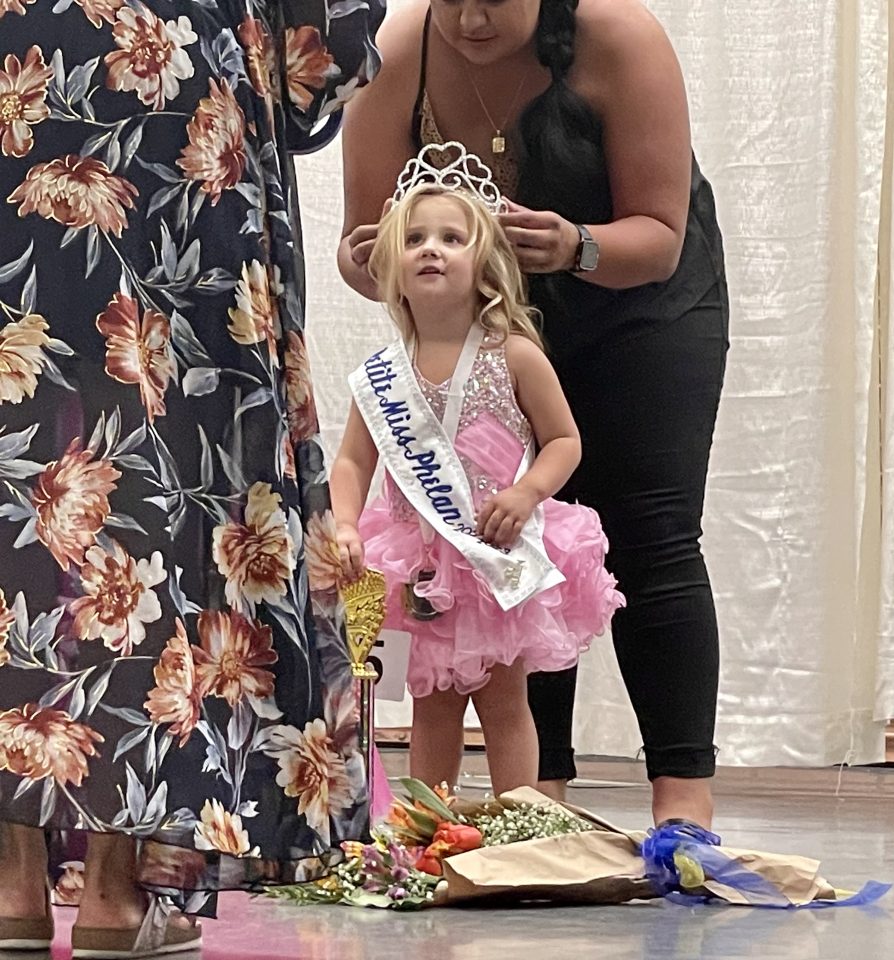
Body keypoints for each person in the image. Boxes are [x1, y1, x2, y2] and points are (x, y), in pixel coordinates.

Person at [0, 0, 383, 956]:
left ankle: (7, 882)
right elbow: (323, 45)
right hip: (173, 99)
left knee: (15, 460)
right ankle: (117, 891)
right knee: (163, 469)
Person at [337, 0, 729, 829]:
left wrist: (576, 244)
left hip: (640, 306)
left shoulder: (621, 37)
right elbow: (359, 246)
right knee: (507, 541)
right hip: (487, 324)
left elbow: (659, 237)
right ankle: (538, 793)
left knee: (653, 534)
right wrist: (380, 258)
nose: (472, 18)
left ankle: (682, 795)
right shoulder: (398, 52)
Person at [329, 165, 623, 796]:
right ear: (391, 267)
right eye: (414, 239)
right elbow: (353, 461)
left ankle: (518, 822)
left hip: (495, 557)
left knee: (504, 701)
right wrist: (346, 523)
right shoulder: (382, 375)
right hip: (418, 563)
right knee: (433, 705)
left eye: (451, 238)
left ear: (484, 263)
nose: (430, 249)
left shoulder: (514, 353)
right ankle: (430, 827)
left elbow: (565, 440)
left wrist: (527, 492)